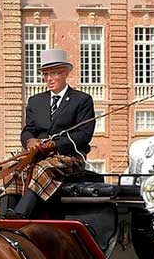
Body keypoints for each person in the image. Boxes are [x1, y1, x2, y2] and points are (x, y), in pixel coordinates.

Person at [6, 48, 96, 218]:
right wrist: (30, 141)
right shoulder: (35, 101)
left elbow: (84, 135)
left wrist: (55, 144)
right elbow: (28, 130)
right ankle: (5, 216)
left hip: (69, 157)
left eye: (54, 73)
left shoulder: (82, 100)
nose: (49, 79)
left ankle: (20, 216)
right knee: (11, 168)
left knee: (42, 169)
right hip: (38, 154)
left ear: (65, 73)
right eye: (46, 74)